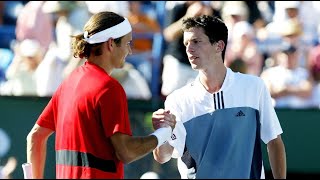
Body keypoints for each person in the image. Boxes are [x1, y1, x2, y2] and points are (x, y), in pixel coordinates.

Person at [25, 11, 176, 179]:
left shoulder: (69, 83)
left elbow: (35, 137)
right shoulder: (109, 88)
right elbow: (126, 152)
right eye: (127, 43)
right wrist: (162, 134)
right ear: (111, 44)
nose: (130, 51)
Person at [152, 15, 286, 179]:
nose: (189, 49)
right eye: (186, 43)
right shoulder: (177, 100)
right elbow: (163, 156)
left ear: (219, 46)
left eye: (196, 41)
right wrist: (162, 132)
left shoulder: (254, 87)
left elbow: (274, 141)